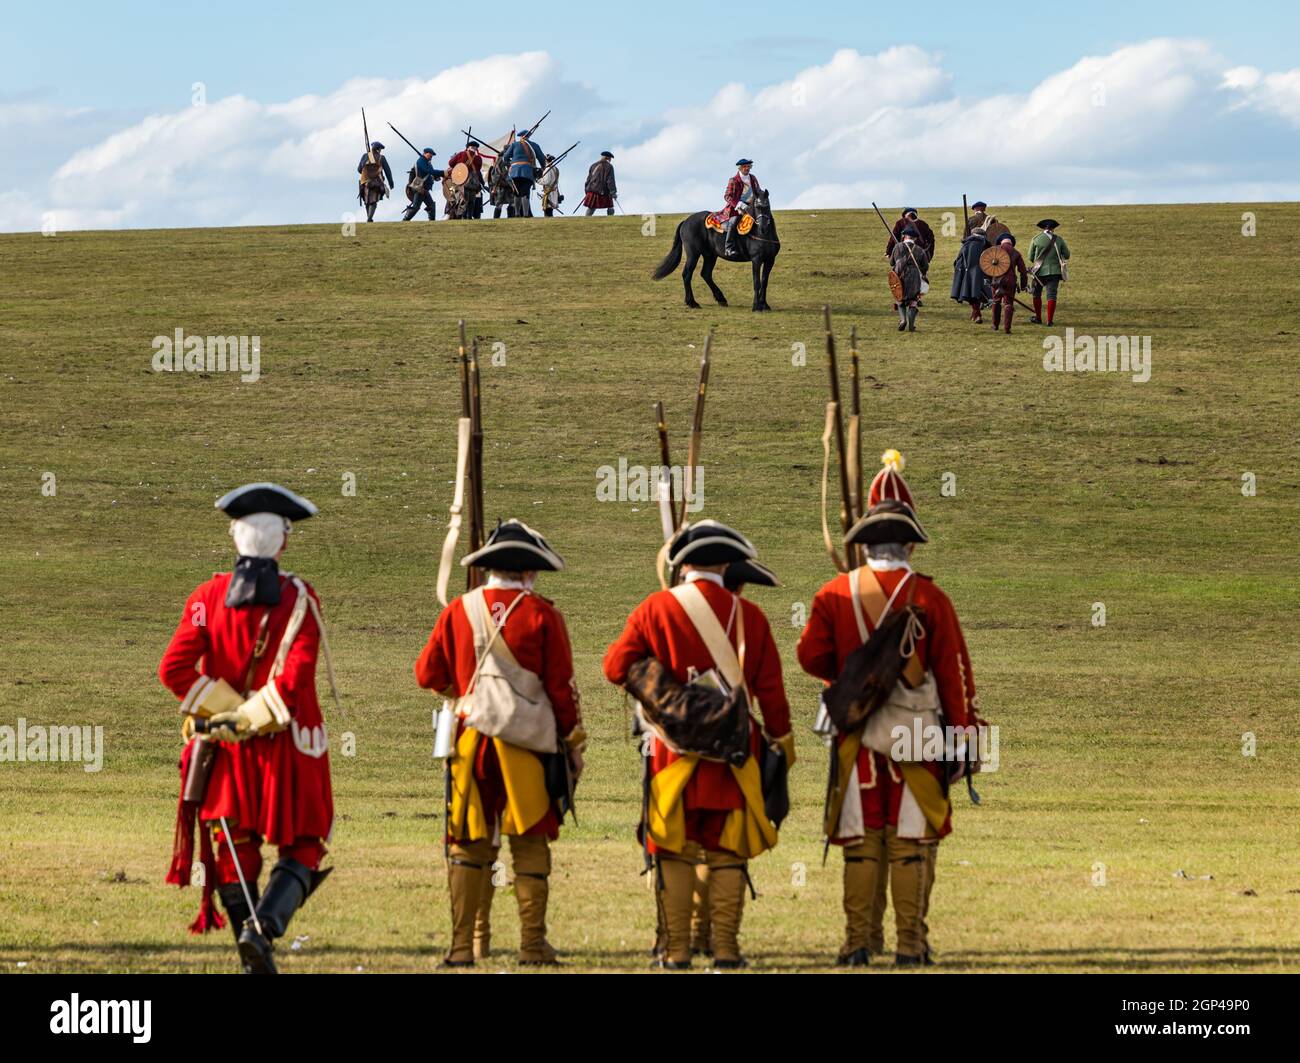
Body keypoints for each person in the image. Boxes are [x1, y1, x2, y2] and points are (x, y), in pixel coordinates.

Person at [797, 451, 983, 967]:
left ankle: (857, 945)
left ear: (865, 543)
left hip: (856, 733)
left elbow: (811, 657)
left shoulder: (835, 593)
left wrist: (853, 670)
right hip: (919, 736)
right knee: (909, 844)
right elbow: (954, 677)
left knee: (860, 843)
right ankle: (910, 947)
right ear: (908, 542)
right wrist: (962, 737)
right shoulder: (931, 597)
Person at [160, 483, 336, 974]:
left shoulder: (207, 595)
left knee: (234, 842)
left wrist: (227, 715)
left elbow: (174, 670)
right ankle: (260, 932)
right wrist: (253, 716)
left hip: (225, 745)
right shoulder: (300, 598)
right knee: (305, 840)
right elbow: (295, 681)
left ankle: (250, 946)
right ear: (282, 543)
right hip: (289, 744)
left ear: (235, 538)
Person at [603, 521, 794, 970]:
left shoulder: (655, 607)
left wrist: (660, 687)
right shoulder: (751, 616)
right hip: (734, 750)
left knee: (674, 848)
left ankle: (675, 953)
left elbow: (615, 667)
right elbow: (771, 692)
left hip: (673, 750)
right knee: (728, 851)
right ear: (727, 563)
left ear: (682, 562)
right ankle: (726, 951)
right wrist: (782, 741)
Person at [415, 520, 586, 967]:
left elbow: (427, 675)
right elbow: (561, 689)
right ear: (528, 573)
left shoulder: (458, 610)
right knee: (529, 843)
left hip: (472, 745)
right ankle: (532, 945)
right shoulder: (543, 615)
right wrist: (572, 739)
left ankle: (466, 946)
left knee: (470, 844)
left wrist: (467, 692)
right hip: (527, 747)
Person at [1028, 219, 1071, 325]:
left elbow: (1030, 257)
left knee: (1036, 295)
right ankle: (1050, 321)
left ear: (1043, 228)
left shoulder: (1036, 239)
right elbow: (1067, 254)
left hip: (1039, 272)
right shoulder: (1059, 240)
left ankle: (1038, 318)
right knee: (1051, 296)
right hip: (1055, 272)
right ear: (1053, 228)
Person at [891, 227, 930, 332]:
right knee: (913, 301)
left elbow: (891, 262)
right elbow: (925, 266)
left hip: (900, 275)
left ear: (904, 236)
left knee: (900, 298)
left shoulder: (897, 247)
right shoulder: (920, 250)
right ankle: (911, 326)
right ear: (915, 239)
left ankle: (903, 320)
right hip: (914, 276)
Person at [951, 223, 992, 323]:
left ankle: (977, 314)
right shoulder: (986, 245)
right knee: (981, 294)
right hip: (984, 273)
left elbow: (959, 261)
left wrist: (959, 271)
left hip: (968, 273)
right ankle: (976, 314)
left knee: (972, 294)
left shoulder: (966, 245)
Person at [988, 232, 1029, 333]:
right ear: (1011, 243)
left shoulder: (995, 250)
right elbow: (1023, 271)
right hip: (1010, 280)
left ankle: (995, 325)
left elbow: (987, 266)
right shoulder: (1016, 252)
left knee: (996, 301)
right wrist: (1023, 285)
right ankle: (1007, 328)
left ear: (1000, 242)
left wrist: (989, 280)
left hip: (996, 279)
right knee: (1008, 303)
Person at [721, 159, 762, 258]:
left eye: (748, 166)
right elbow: (727, 196)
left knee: (763, 218)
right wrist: (738, 204)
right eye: (745, 167)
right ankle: (728, 248)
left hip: (751, 206)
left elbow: (758, 191)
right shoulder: (734, 180)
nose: (747, 168)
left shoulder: (753, 178)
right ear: (740, 168)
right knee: (734, 222)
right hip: (737, 208)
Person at [502, 129, 545, 218]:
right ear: (529, 136)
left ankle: (517, 213)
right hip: (528, 171)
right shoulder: (534, 145)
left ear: (521, 136)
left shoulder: (514, 145)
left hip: (514, 172)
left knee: (516, 192)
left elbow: (505, 158)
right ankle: (525, 214)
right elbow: (541, 158)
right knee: (525, 192)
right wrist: (543, 169)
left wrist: (511, 163)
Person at [402, 148, 445, 221]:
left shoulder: (427, 163)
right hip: (419, 188)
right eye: (430, 154)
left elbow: (431, 173)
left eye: (432, 154)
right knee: (416, 207)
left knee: (431, 205)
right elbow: (428, 171)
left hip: (424, 189)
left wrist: (436, 177)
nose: (431, 156)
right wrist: (442, 173)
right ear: (425, 153)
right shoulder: (421, 161)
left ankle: (432, 222)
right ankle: (405, 220)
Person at [445, 140, 485, 219]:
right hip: (473, 182)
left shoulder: (461, 154)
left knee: (463, 200)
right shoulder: (479, 158)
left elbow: (450, 163)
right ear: (476, 149)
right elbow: (478, 169)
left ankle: (462, 216)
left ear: (468, 147)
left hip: (462, 180)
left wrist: (460, 163)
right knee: (472, 201)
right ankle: (469, 217)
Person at [357, 141, 395, 222]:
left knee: (367, 201)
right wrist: (391, 183)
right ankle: (369, 218)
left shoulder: (365, 156)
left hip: (365, 183)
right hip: (376, 182)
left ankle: (369, 218)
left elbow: (359, 169)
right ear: (379, 149)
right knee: (373, 200)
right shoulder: (381, 158)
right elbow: (388, 171)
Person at [582, 151, 618, 216]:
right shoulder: (609, 166)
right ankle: (610, 219)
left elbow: (588, 180)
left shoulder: (593, 165)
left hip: (592, 190)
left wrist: (587, 190)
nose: (610, 160)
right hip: (603, 191)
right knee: (610, 207)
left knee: (591, 208)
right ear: (607, 158)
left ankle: (586, 219)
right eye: (610, 158)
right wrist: (613, 192)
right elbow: (610, 181)